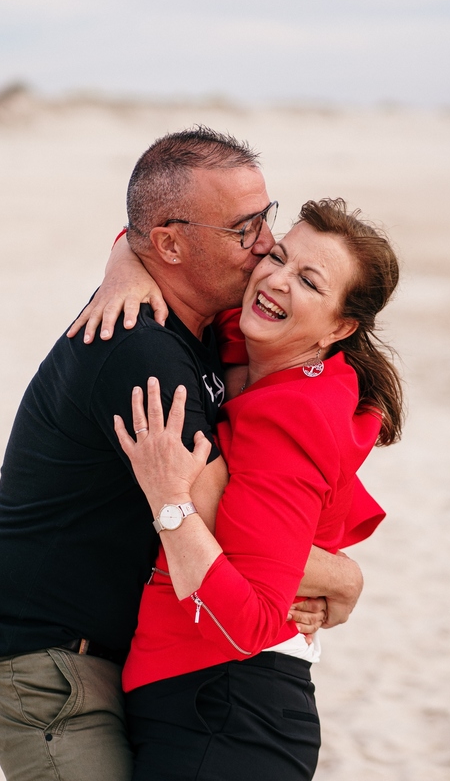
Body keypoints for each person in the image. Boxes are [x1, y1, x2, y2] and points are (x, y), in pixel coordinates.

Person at [0, 128, 361, 781]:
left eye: (266, 217)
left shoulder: (200, 321)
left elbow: (144, 234)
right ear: (170, 246)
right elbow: (230, 527)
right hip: (50, 665)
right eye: (243, 230)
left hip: (104, 657)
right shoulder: (142, 352)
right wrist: (344, 579)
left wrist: (125, 252)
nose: (265, 244)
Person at [111, 198, 403, 780]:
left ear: (340, 327)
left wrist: (171, 504)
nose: (276, 280)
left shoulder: (292, 416)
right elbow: (161, 244)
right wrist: (122, 266)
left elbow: (250, 622)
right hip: (208, 702)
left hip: (227, 710)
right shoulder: (255, 341)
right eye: (278, 257)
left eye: (309, 281)